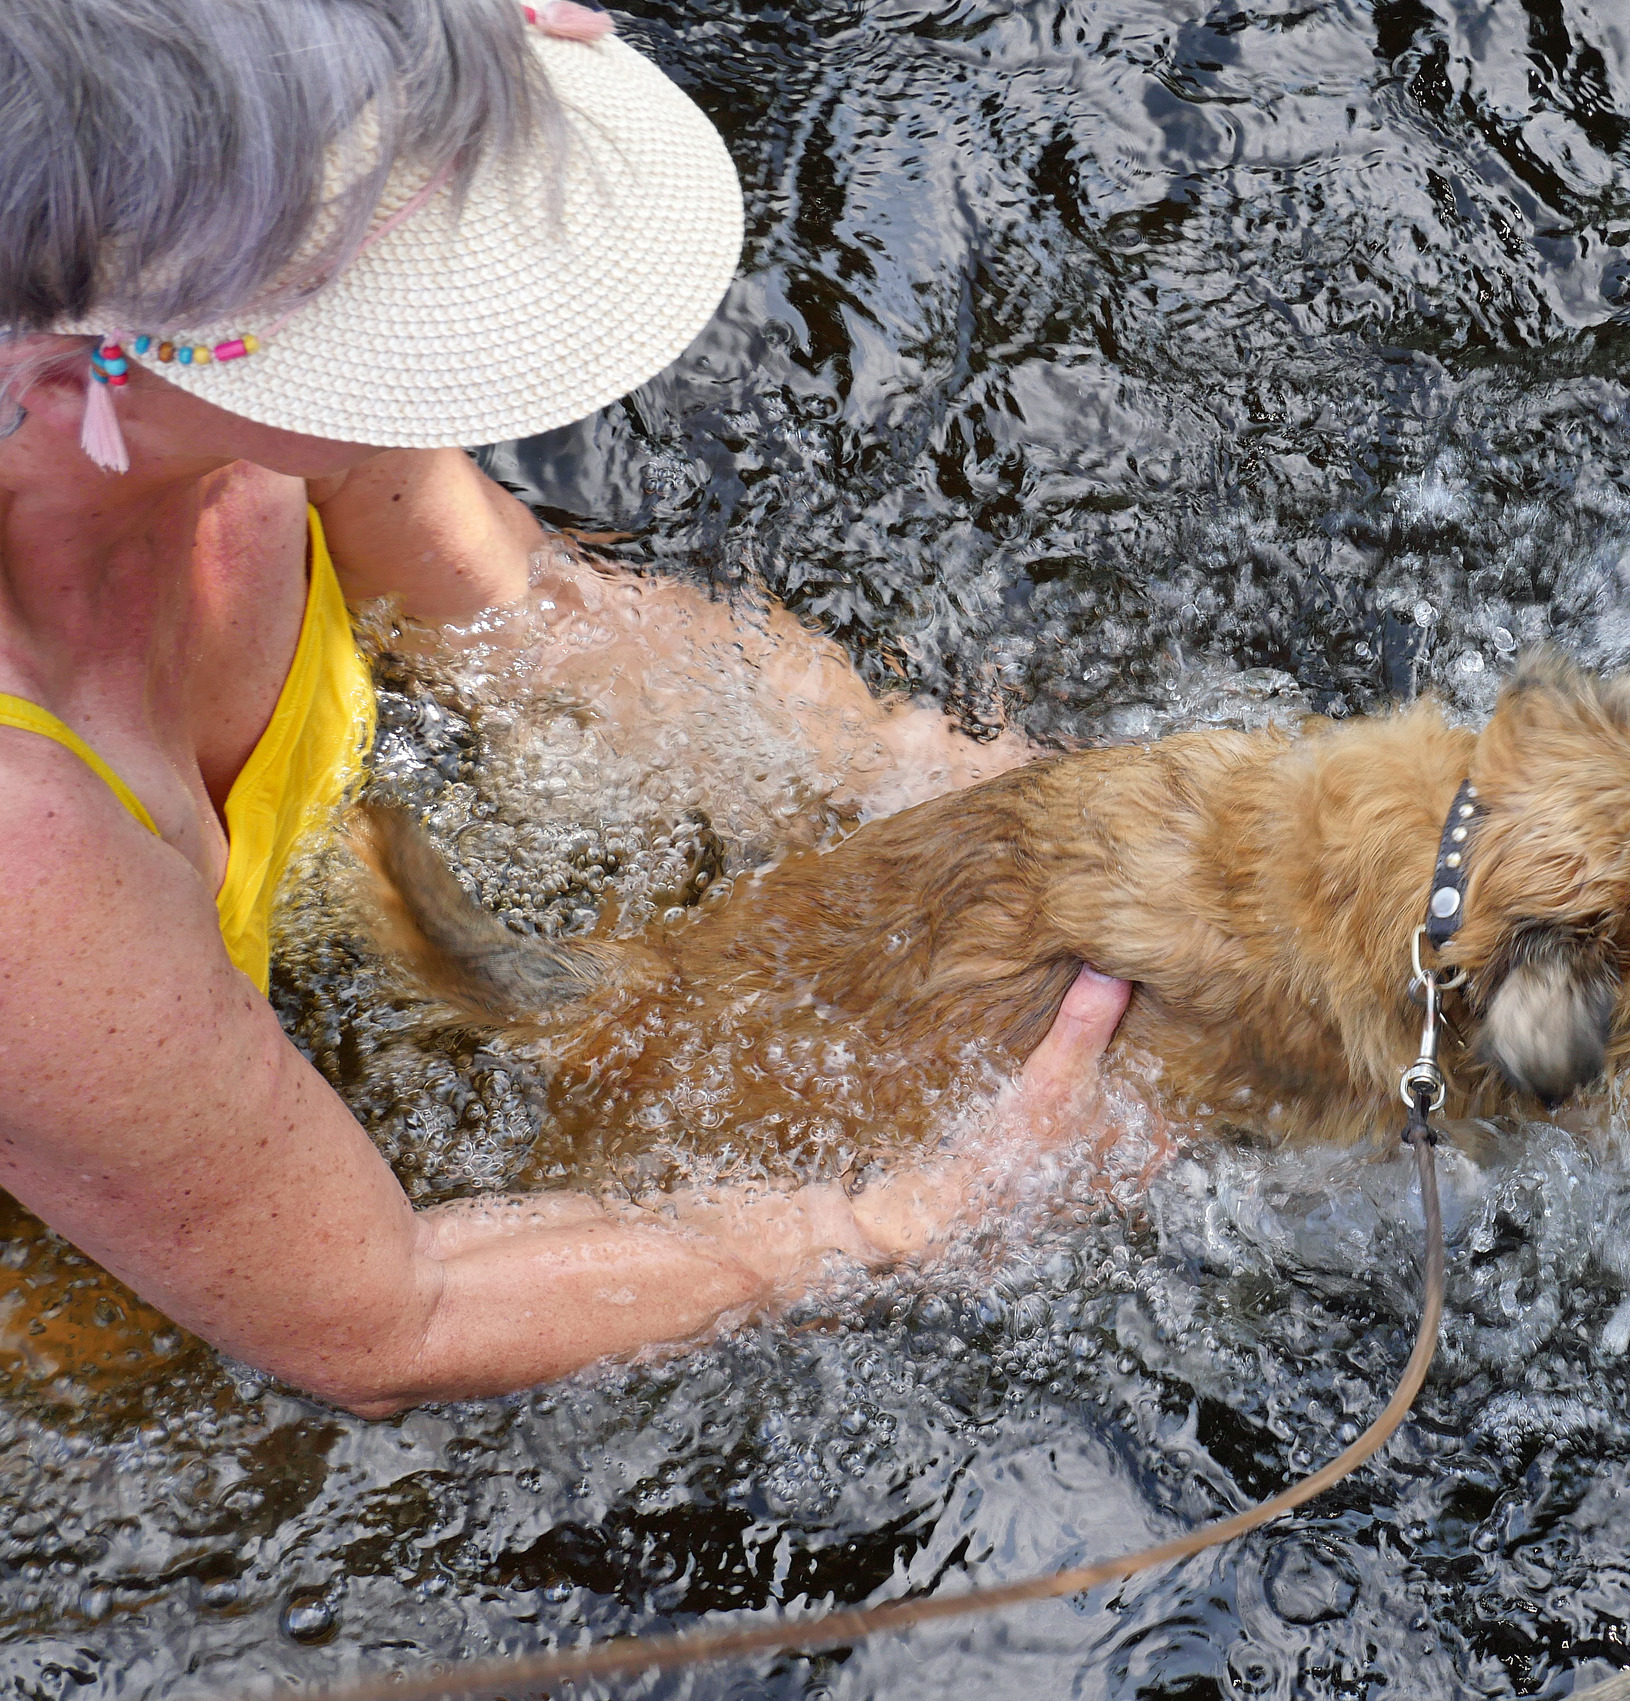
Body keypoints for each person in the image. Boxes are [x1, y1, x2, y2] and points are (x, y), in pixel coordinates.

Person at [0, 0, 1132, 1417]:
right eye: (385, 296)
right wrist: (922, 1218)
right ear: (70, 373)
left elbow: (541, 633)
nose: (440, 328)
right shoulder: (21, 841)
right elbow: (384, 1318)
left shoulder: (248, 415)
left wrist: (993, 802)